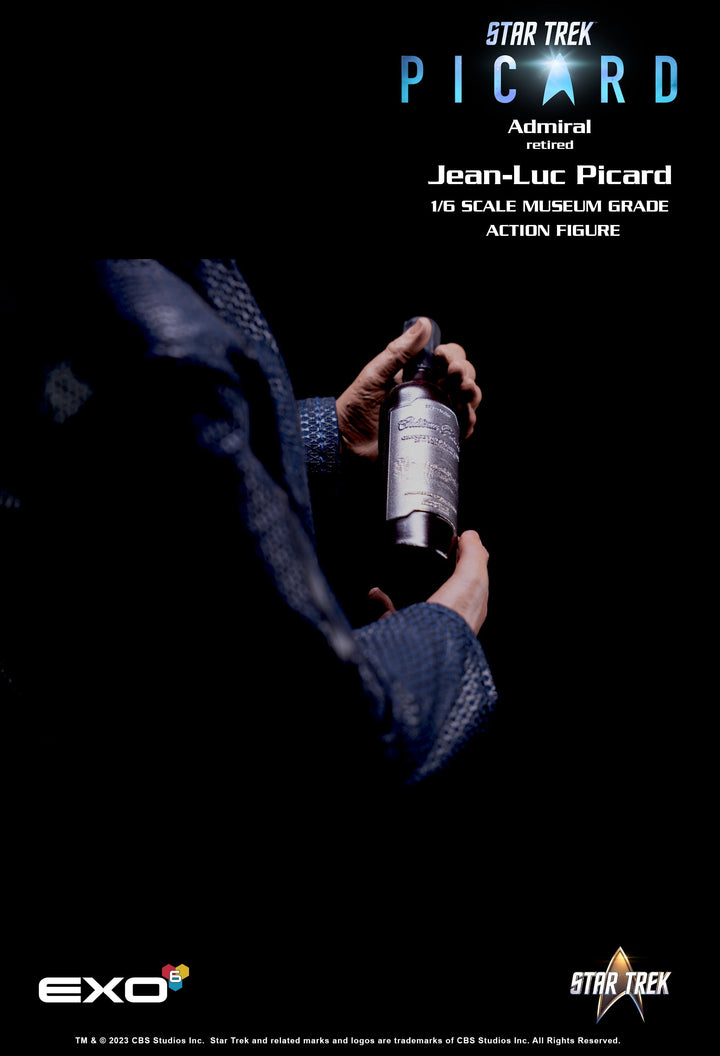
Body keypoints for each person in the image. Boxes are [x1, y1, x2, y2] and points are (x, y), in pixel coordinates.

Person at [1, 258, 496, 805]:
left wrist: (332, 432)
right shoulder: (161, 335)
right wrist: (450, 623)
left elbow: (135, 487)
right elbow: (329, 727)